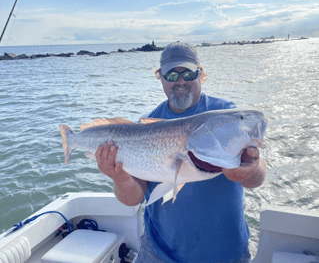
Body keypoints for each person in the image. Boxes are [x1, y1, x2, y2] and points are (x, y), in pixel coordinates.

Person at [95, 42, 266, 263]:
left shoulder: (226, 113)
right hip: (159, 252)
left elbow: (258, 174)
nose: (181, 81)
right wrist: (119, 177)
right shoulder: (144, 126)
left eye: (188, 72)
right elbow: (133, 198)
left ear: (200, 74)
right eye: (172, 74)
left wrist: (248, 172)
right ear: (161, 78)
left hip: (225, 254)